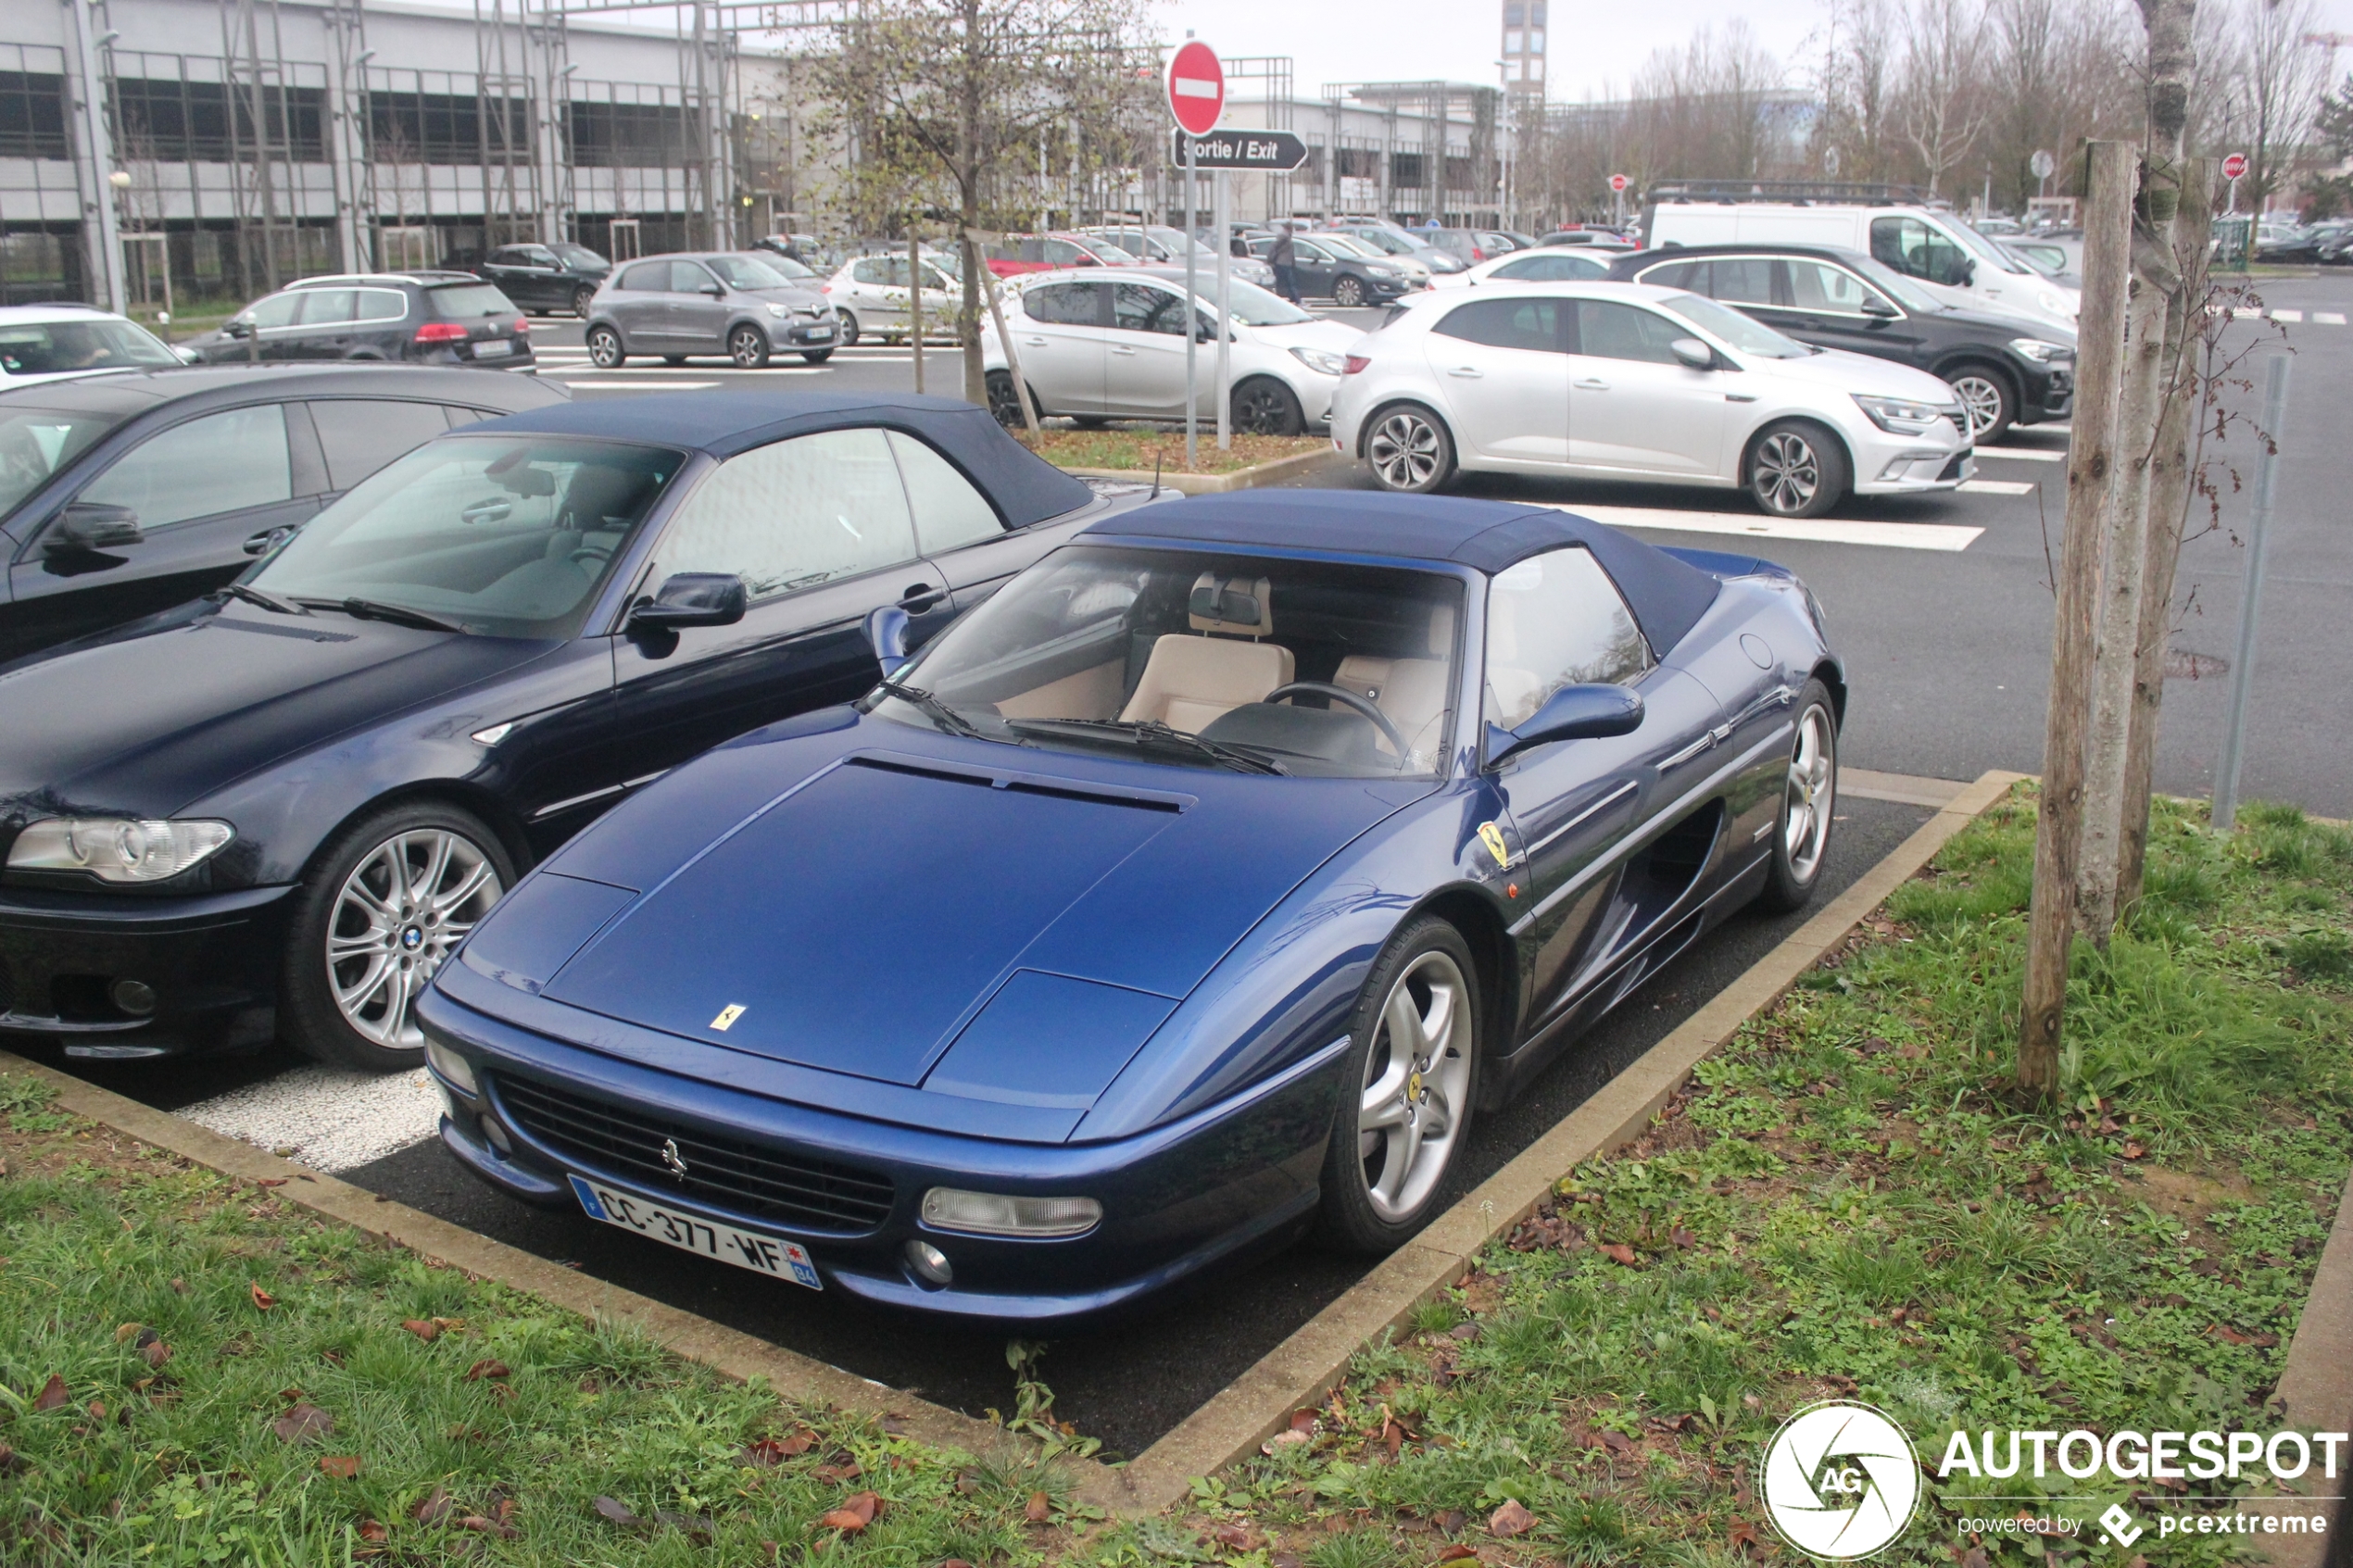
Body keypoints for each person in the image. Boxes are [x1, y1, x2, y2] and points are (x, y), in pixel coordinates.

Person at [1269, 221, 1300, 305]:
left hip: (1284, 262)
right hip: (1282, 262)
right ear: (1289, 228)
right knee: (1289, 282)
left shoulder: (1286, 237)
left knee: (1285, 282)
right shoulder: (1284, 237)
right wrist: (1271, 259)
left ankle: (1293, 299)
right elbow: (1274, 247)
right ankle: (1296, 299)